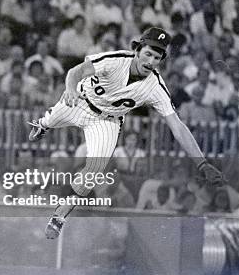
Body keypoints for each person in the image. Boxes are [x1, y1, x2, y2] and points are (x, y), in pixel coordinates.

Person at [28, 27, 225, 239]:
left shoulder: (155, 86)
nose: (150, 61)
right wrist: (69, 88)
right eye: (148, 53)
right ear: (137, 50)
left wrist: (201, 162)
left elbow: (177, 126)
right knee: (49, 120)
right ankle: (43, 124)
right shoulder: (116, 60)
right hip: (80, 102)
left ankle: (59, 216)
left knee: (93, 171)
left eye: (157, 57)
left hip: (107, 121)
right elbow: (75, 72)